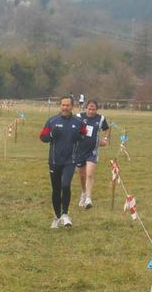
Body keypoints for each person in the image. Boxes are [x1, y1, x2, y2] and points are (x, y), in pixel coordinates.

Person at [40, 95, 86, 229]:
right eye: (63, 105)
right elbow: (43, 137)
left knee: (65, 185)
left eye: (67, 105)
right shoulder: (52, 121)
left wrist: (79, 137)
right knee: (56, 189)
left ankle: (65, 214)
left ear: (72, 106)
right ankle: (57, 216)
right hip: (54, 161)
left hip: (70, 161)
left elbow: (84, 135)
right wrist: (52, 135)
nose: (65, 107)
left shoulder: (78, 122)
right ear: (60, 106)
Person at [76, 100, 110, 209]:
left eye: (93, 109)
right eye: (89, 109)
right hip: (80, 151)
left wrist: (105, 139)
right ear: (86, 108)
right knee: (82, 175)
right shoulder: (78, 117)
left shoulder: (100, 119)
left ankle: (88, 198)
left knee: (89, 174)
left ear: (96, 110)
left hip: (92, 151)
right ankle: (84, 193)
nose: (91, 111)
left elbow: (107, 129)